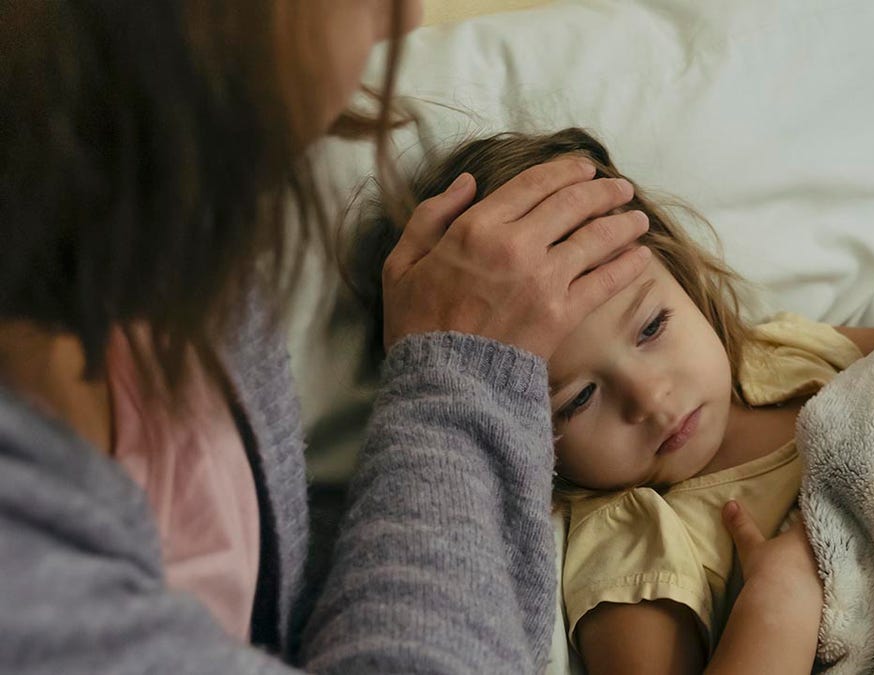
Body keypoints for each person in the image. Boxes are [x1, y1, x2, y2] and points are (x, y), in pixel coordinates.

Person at [0, 2, 654, 672]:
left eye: (655, 325)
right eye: (575, 399)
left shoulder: (177, 214)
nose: (404, 19)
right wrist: (465, 376)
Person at [350, 128, 874, 674]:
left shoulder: (781, 353)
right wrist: (777, 602)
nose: (649, 398)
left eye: (652, 326)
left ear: (681, 272)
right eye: (579, 399)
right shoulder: (634, 541)